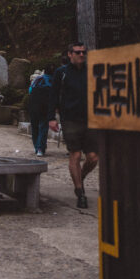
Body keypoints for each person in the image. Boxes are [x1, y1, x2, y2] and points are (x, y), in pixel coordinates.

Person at [50, 42, 98, 208]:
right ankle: (80, 192)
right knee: (75, 155)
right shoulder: (61, 73)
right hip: (70, 118)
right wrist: (52, 118)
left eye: (84, 52)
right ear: (70, 54)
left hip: (90, 119)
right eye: (77, 52)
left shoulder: (91, 71)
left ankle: (80, 177)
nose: (81, 55)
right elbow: (54, 95)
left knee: (93, 157)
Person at [27, 62, 55, 157]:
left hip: (33, 105)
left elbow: (30, 90)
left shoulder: (37, 79)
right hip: (44, 106)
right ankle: (40, 148)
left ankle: (36, 147)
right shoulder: (52, 80)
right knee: (43, 127)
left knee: (35, 127)